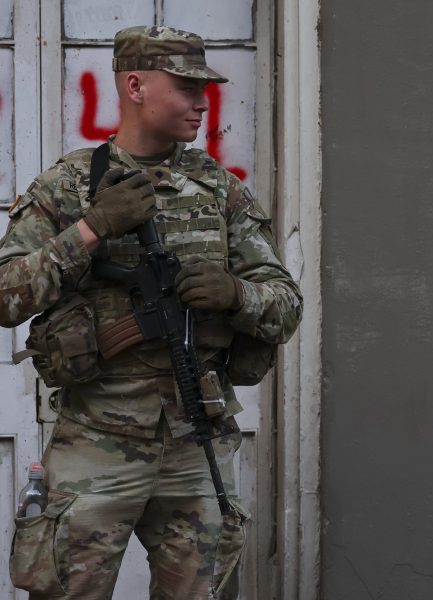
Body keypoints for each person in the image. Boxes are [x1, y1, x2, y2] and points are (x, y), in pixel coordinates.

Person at [0, 25, 302, 599]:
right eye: (187, 86)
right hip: (96, 440)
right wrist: (91, 229)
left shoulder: (220, 190)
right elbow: (4, 296)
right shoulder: (69, 187)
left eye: (204, 88)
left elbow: (286, 305)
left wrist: (238, 295)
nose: (201, 100)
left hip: (197, 442)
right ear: (136, 86)